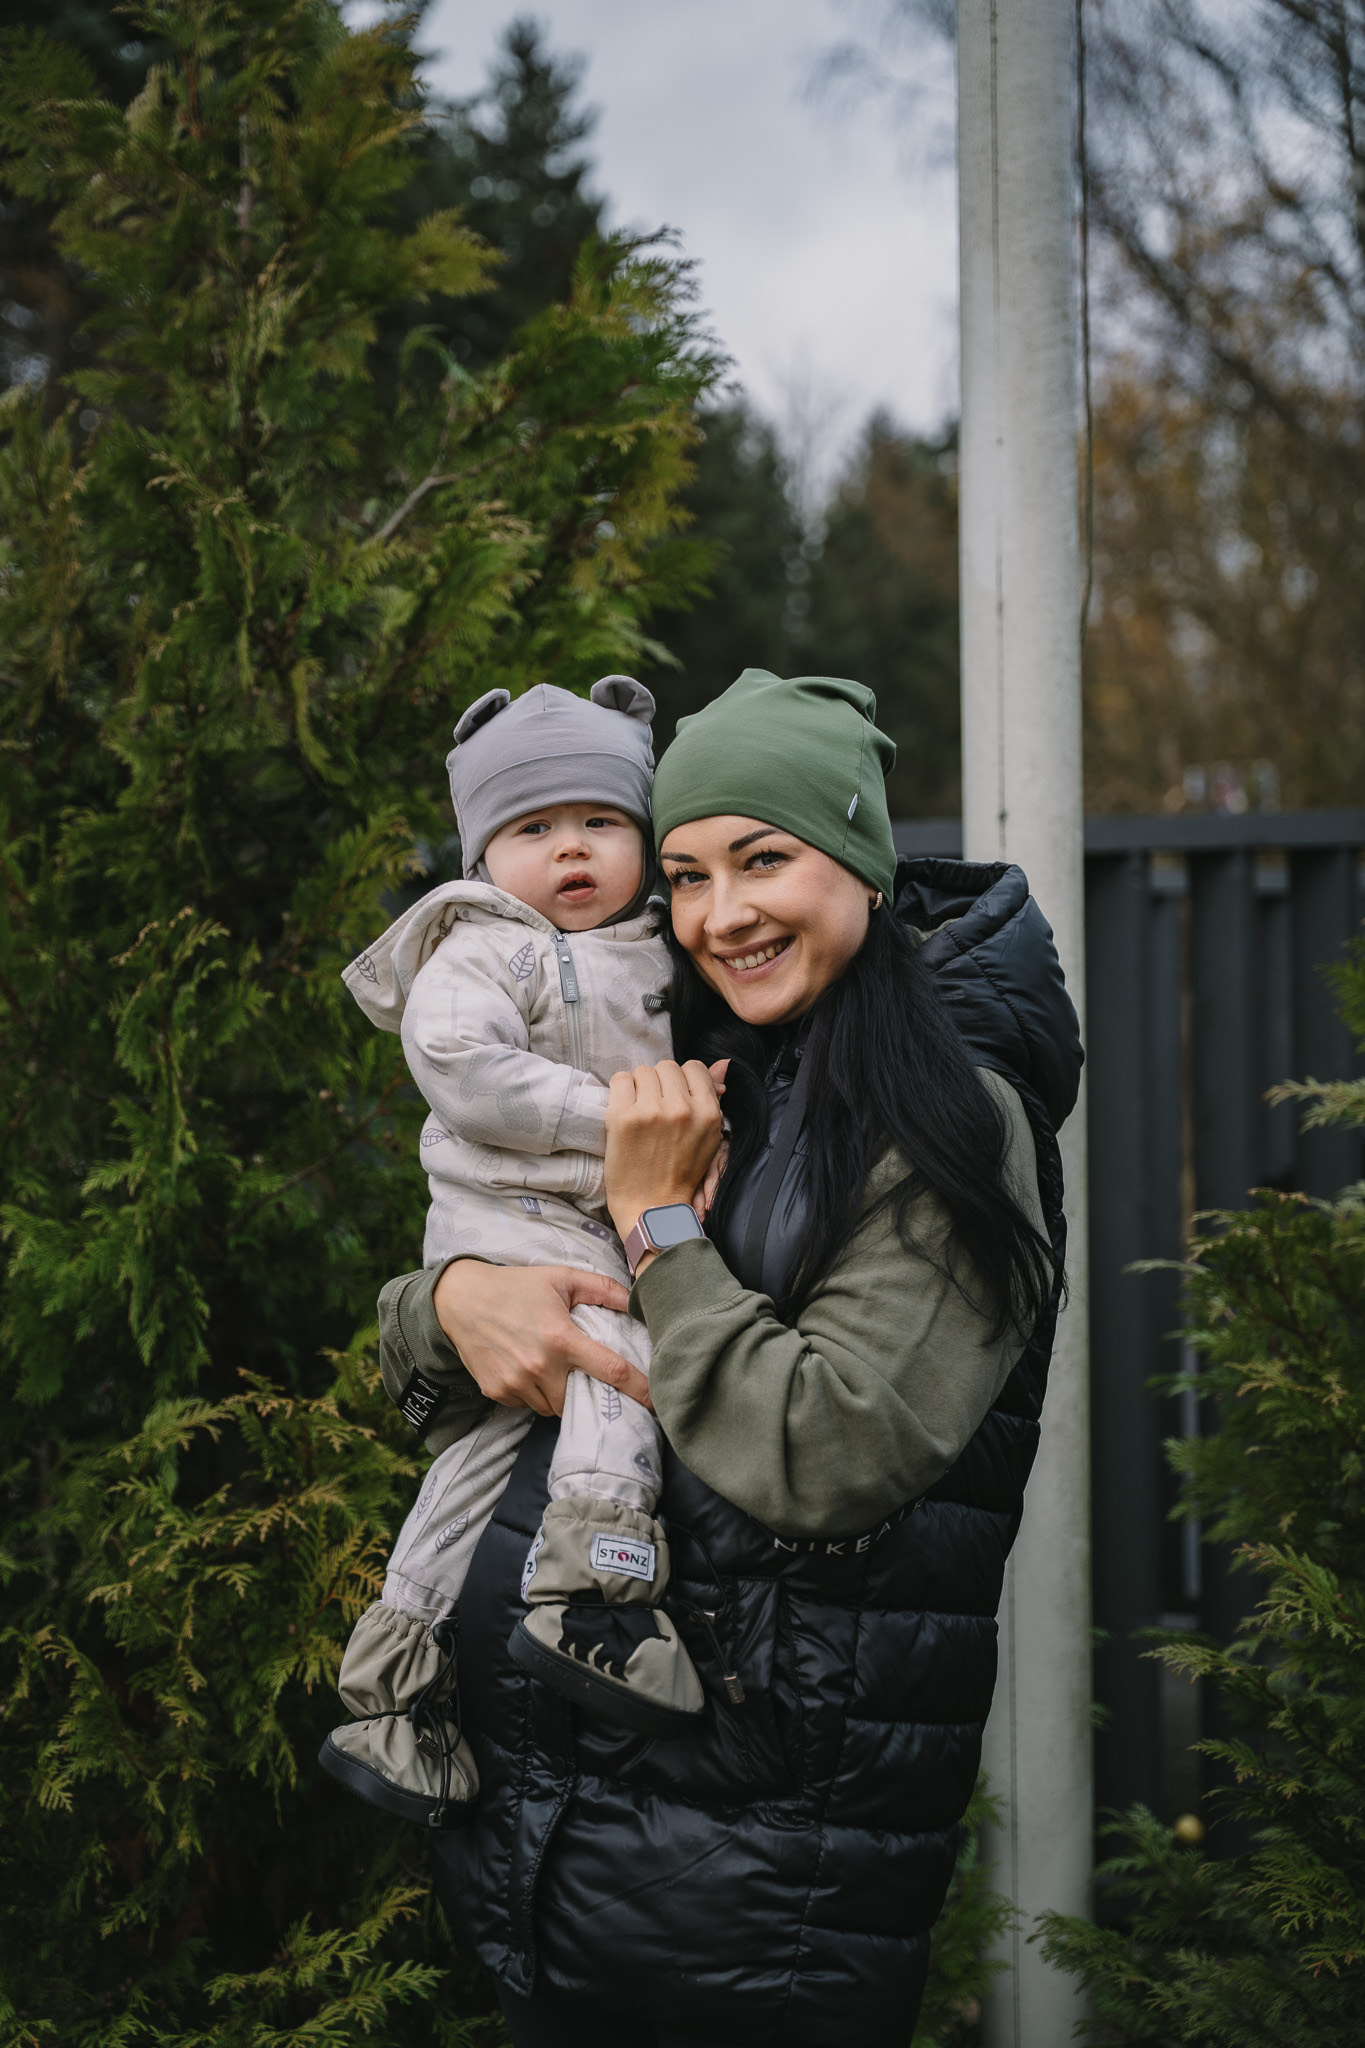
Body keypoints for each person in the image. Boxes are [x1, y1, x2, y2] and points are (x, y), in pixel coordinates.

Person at [369, 670, 1083, 2046]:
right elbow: (506, 1273)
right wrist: (451, 1302)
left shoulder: (947, 1119)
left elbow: (821, 1451)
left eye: (765, 859)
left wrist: (654, 1224)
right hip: (573, 1832)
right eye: (686, 873)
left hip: (760, 1881)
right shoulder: (708, 1057)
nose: (719, 914)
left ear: (862, 858)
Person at [321, 676, 716, 1833]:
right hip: (509, 1219)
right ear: (484, 851)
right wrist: (626, 1121)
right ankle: (593, 1588)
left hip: (594, 1218)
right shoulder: (476, 945)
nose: (572, 850)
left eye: (601, 822)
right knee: (615, 1362)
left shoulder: (667, 946)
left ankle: (396, 1687)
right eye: (533, 829)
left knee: (477, 1460)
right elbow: (464, 1067)